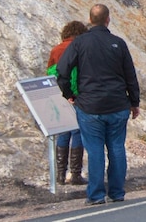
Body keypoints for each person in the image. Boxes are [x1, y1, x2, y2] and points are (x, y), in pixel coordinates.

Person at [57, 4, 141, 206]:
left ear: (90, 19)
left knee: (94, 150)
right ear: (108, 19)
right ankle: (117, 192)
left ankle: (95, 195)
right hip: (117, 104)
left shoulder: (79, 44)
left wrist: (70, 94)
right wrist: (134, 102)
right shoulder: (118, 43)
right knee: (116, 147)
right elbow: (130, 75)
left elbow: (62, 72)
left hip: (90, 105)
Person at [46, 20, 89, 185]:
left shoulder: (56, 49)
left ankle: (60, 176)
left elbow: (50, 71)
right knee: (77, 131)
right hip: (77, 94)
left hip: (60, 94)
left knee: (64, 131)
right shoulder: (79, 47)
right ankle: (75, 174)